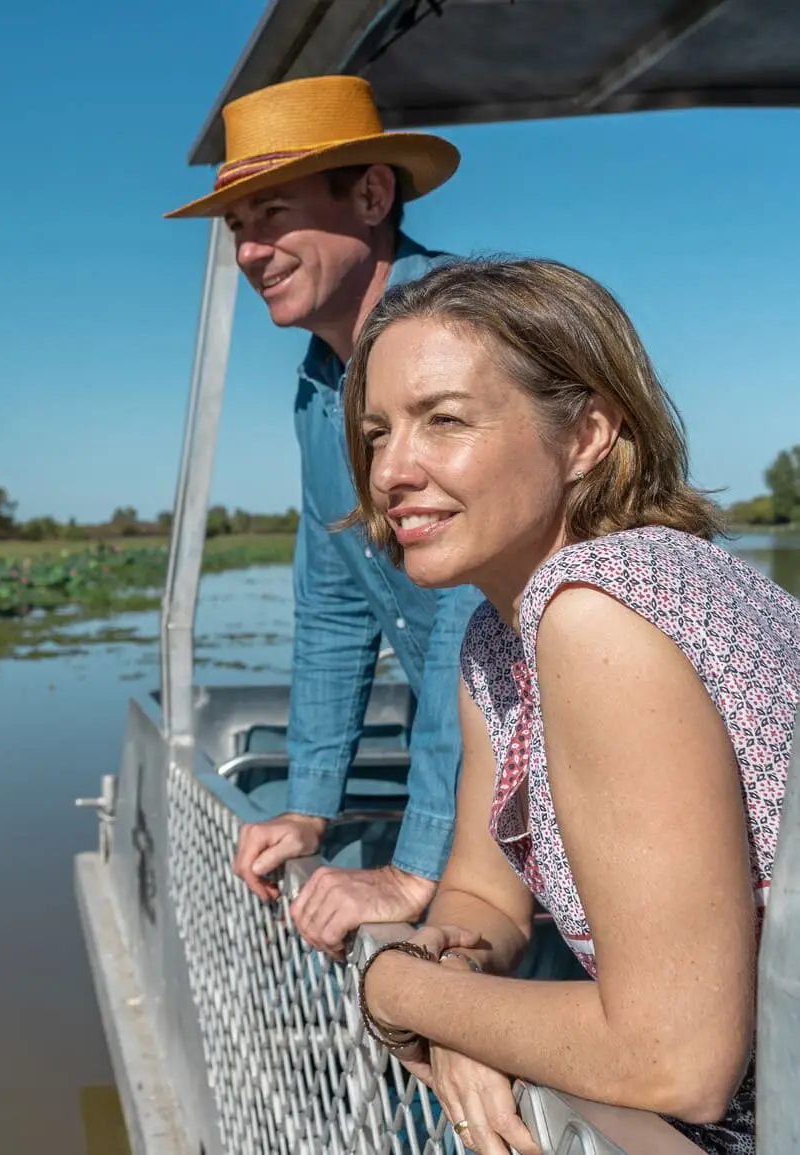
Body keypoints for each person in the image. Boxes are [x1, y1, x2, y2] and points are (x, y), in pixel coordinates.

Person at [349, 256, 799, 1155]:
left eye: (444, 420)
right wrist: (462, 998)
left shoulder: (599, 611)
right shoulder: (499, 634)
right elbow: (482, 893)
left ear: (588, 433)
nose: (391, 469)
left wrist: (394, 988)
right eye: (376, 432)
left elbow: (676, 1056)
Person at [165, 74, 484, 955]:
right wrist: (309, 804)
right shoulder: (319, 385)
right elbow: (336, 605)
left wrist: (416, 864)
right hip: (497, 778)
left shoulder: (461, 337)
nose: (250, 251)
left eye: (272, 213)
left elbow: (476, 617)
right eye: (238, 226)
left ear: (372, 195)